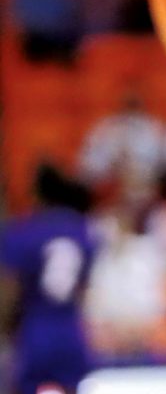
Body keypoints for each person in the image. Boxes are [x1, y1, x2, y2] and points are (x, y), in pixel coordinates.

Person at [0, 164, 96, 394]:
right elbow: (83, 288)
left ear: (37, 193)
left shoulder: (23, 231)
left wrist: (5, 329)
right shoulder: (82, 229)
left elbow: (9, 289)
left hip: (34, 329)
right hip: (71, 330)